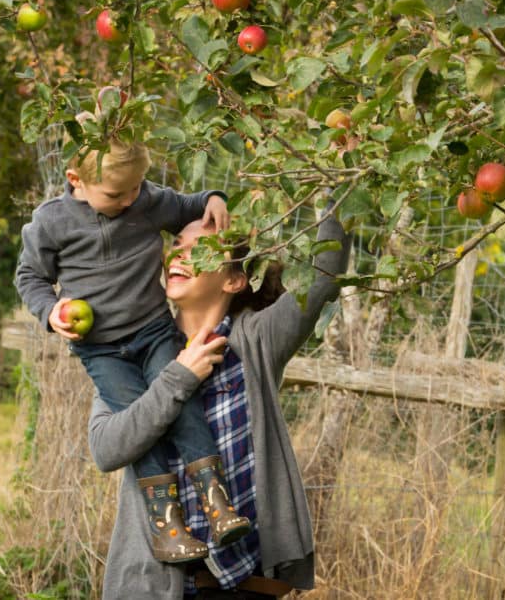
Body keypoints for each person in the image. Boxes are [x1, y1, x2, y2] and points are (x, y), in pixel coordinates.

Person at [86, 204, 349, 599]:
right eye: (177, 243)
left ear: (234, 280)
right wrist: (179, 378)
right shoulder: (130, 353)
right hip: (161, 585)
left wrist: (337, 183)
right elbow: (107, 449)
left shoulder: (257, 341)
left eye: (202, 247)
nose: (180, 253)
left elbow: (325, 277)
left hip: (248, 581)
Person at [14, 133, 250, 563]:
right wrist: (51, 312)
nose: (129, 201)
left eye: (137, 188)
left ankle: (218, 506)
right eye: (117, 194)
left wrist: (214, 197)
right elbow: (28, 276)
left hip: (154, 332)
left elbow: (187, 204)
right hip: (102, 351)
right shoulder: (51, 222)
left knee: (182, 407)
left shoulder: (145, 200)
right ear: (75, 181)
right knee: (141, 431)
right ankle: (169, 529)